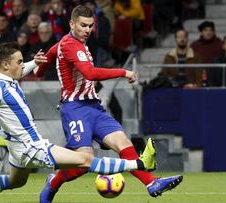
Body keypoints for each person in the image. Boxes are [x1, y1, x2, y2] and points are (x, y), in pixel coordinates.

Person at [0, 42, 157, 203]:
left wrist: (34, 63)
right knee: (85, 159)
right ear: (6, 64)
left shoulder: (3, 76)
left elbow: (23, 69)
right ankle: (139, 163)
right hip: (32, 148)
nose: (22, 65)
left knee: (14, 182)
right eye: (19, 61)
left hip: (17, 150)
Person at [35, 5, 183, 202]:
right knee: (83, 162)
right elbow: (90, 73)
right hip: (75, 108)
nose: (88, 30)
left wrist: (38, 65)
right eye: (83, 25)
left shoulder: (71, 44)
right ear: (72, 24)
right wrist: (123, 72)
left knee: (123, 142)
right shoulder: (70, 45)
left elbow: (43, 66)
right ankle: (53, 182)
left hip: (94, 107)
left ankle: (151, 182)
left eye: (90, 26)